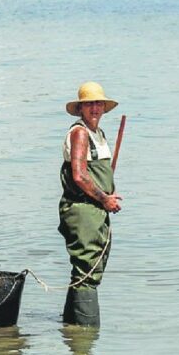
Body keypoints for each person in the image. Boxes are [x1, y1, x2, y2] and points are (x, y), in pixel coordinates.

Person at [58, 81, 123, 327]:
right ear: (81, 109)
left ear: (104, 108)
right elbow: (79, 175)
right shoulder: (80, 133)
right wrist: (104, 198)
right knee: (87, 271)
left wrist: (110, 192)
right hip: (83, 209)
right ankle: (86, 334)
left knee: (84, 270)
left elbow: (96, 174)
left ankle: (71, 329)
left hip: (94, 208)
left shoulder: (98, 134)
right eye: (89, 104)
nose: (94, 108)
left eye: (98, 103)